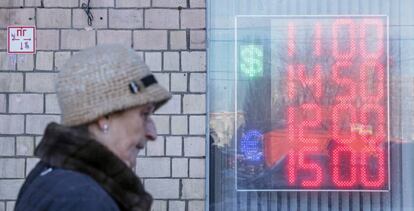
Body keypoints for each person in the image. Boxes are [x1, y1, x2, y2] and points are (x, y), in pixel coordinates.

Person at [14, 44, 172, 211]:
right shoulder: (85, 201)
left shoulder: (53, 176)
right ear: (103, 118)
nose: (152, 133)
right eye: (144, 114)